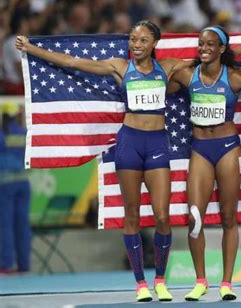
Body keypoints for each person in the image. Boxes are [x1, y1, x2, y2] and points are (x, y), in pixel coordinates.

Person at [16, 20, 194, 302]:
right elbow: (73, 62)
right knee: (132, 215)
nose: (136, 45)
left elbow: (210, 66)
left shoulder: (170, 67)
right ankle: (140, 284)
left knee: (162, 215)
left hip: (158, 143)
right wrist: (32, 48)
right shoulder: (120, 67)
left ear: (154, 43)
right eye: (133, 40)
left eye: (143, 41)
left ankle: (160, 279)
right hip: (129, 144)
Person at [168, 26, 241, 301]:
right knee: (194, 217)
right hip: (200, 149)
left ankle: (226, 282)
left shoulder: (235, 78)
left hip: (227, 149)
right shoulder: (188, 75)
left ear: (222, 49)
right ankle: (200, 281)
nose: (204, 48)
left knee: (228, 218)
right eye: (201, 44)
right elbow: (161, 86)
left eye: (211, 44)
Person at [0, 102, 31, 274]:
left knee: (5, 225)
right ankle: (24, 265)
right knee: (22, 225)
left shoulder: (1, 134)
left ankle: (5, 264)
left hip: (4, 184)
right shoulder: (24, 133)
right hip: (23, 183)